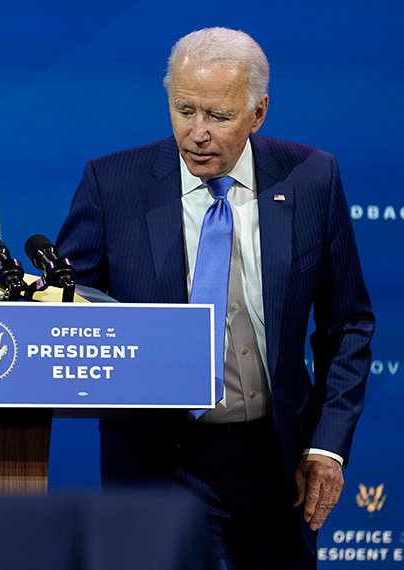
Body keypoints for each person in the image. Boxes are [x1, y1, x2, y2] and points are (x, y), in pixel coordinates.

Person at [55, 27, 374, 568]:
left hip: (277, 461)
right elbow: (56, 302)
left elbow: (348, 325)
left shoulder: (311, 178)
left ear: (258, 113)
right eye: (184, 110)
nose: (197, 133)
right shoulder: (114, 183)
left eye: (218, 117)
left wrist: (325, 445)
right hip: (164, 462)